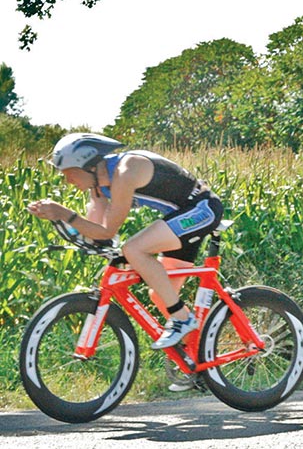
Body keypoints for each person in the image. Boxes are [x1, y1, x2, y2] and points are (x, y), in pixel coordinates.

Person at [27, 133, 224, 351]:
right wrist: (57, 217)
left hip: (202, 209)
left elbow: (107, 231)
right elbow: (94, 233)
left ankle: (182, 319)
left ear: (89, 166)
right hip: (181, 218)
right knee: (160, 294)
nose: (68, 180)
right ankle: (199, 359)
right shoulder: (98, 187)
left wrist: (64, 213)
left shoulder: (125, 172)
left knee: (134, 249)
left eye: (69, 173)